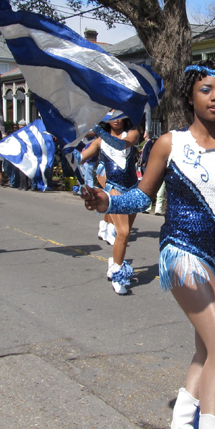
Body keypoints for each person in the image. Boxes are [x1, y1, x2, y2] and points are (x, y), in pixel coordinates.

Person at [81, 61, 215, 429]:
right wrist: (107, 200)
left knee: (208, 346)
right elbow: (141, 196)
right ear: (190, 96)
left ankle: (182, 420)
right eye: (206, 89)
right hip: (182, 252)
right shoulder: (170, 143)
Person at [75, 114, 141, 295]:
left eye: (120, 114)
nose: (116, 119)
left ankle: (114, 262)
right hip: (113, 189)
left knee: (124, 235)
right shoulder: (98, 142)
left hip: (132, 190)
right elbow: (79, 158)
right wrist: (66, 148)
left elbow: (120, 145)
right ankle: (118, 274)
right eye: (112, 115)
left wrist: (97, 130)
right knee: (123, 232)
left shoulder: (133, 134)